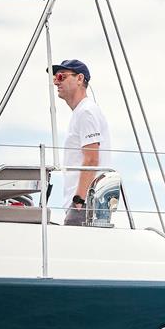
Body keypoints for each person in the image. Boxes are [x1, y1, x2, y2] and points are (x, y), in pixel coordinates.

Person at [49, 59, 112, 227]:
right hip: (85, 204)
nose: (56, 81)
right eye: (55, 77)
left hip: (84, 205)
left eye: (61, 76)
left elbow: (91, 159)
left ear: (79, 79)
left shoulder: (86, 112)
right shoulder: (82, 112)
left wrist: (78, 201)